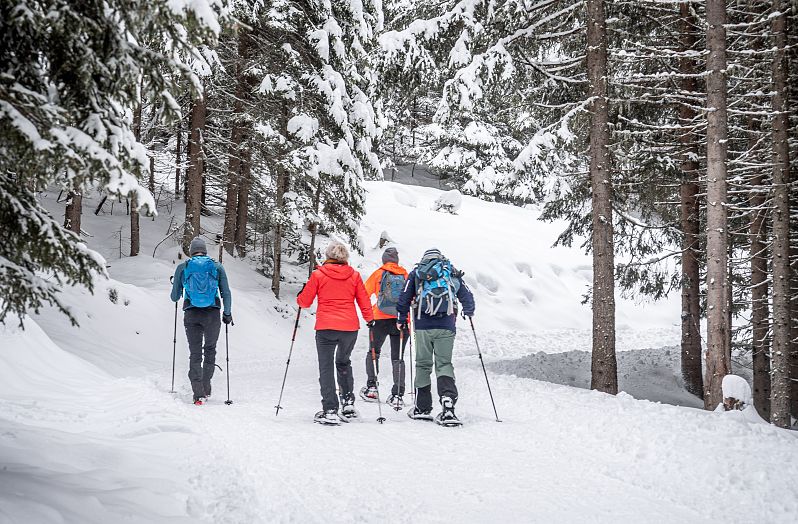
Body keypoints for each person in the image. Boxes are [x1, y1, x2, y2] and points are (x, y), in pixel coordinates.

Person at [298, 241, 374, 425]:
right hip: (349, 328)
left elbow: (304, 302)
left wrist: (300, 295)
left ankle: (330, 409)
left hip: (326, 328)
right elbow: (363, 299)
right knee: (343, 362)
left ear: (328, 256)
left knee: (326, 367)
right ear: (345, 257)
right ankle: (348, 404)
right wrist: (369, 319)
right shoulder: (354, 276)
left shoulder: (318, 275)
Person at [396, 248, 475, 425]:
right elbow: (467, 295)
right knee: (444, 364)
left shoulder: (417, 273)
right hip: (447, 325)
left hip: (423, 325)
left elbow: (404, 297)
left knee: (423, 364)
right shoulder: (450, 272)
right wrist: (468, 311)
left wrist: (401, 318)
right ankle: (448, 404)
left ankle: (422, 408)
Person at [170, 237, 233, 405]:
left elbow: (174, 296)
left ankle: (198, 394)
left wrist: (176, 283)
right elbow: (226, 292)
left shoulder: (183, 267)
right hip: (212, 314)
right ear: (205, 251)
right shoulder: (217, 267)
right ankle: (207, 386)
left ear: (191, 252)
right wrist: (227, 313)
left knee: (195, 353)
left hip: (191, 314)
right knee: (210, 350)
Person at [360, 247, 409, 409]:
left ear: (383, 260)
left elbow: (364, 294)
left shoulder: (378, 274)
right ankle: (397, 395)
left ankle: (372, 387)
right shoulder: (405, 275)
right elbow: (413, 297)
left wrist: (370, 313)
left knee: (374, 352)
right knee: (398, 357)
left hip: (379, 318)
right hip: (400, 321)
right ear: (396, 260)